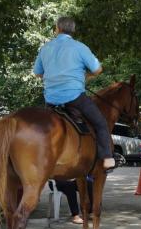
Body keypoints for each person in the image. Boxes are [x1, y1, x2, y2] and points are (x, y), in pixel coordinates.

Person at [33, 16, 115, 170]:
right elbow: (98, 69)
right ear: (73, 30)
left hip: (51, 100)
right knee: (101, 124)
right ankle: (108, 161)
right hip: (75, 98)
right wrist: (86, 76)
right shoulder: (80, 47)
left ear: (57, 29)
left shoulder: (45, 48)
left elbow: (37, 73)